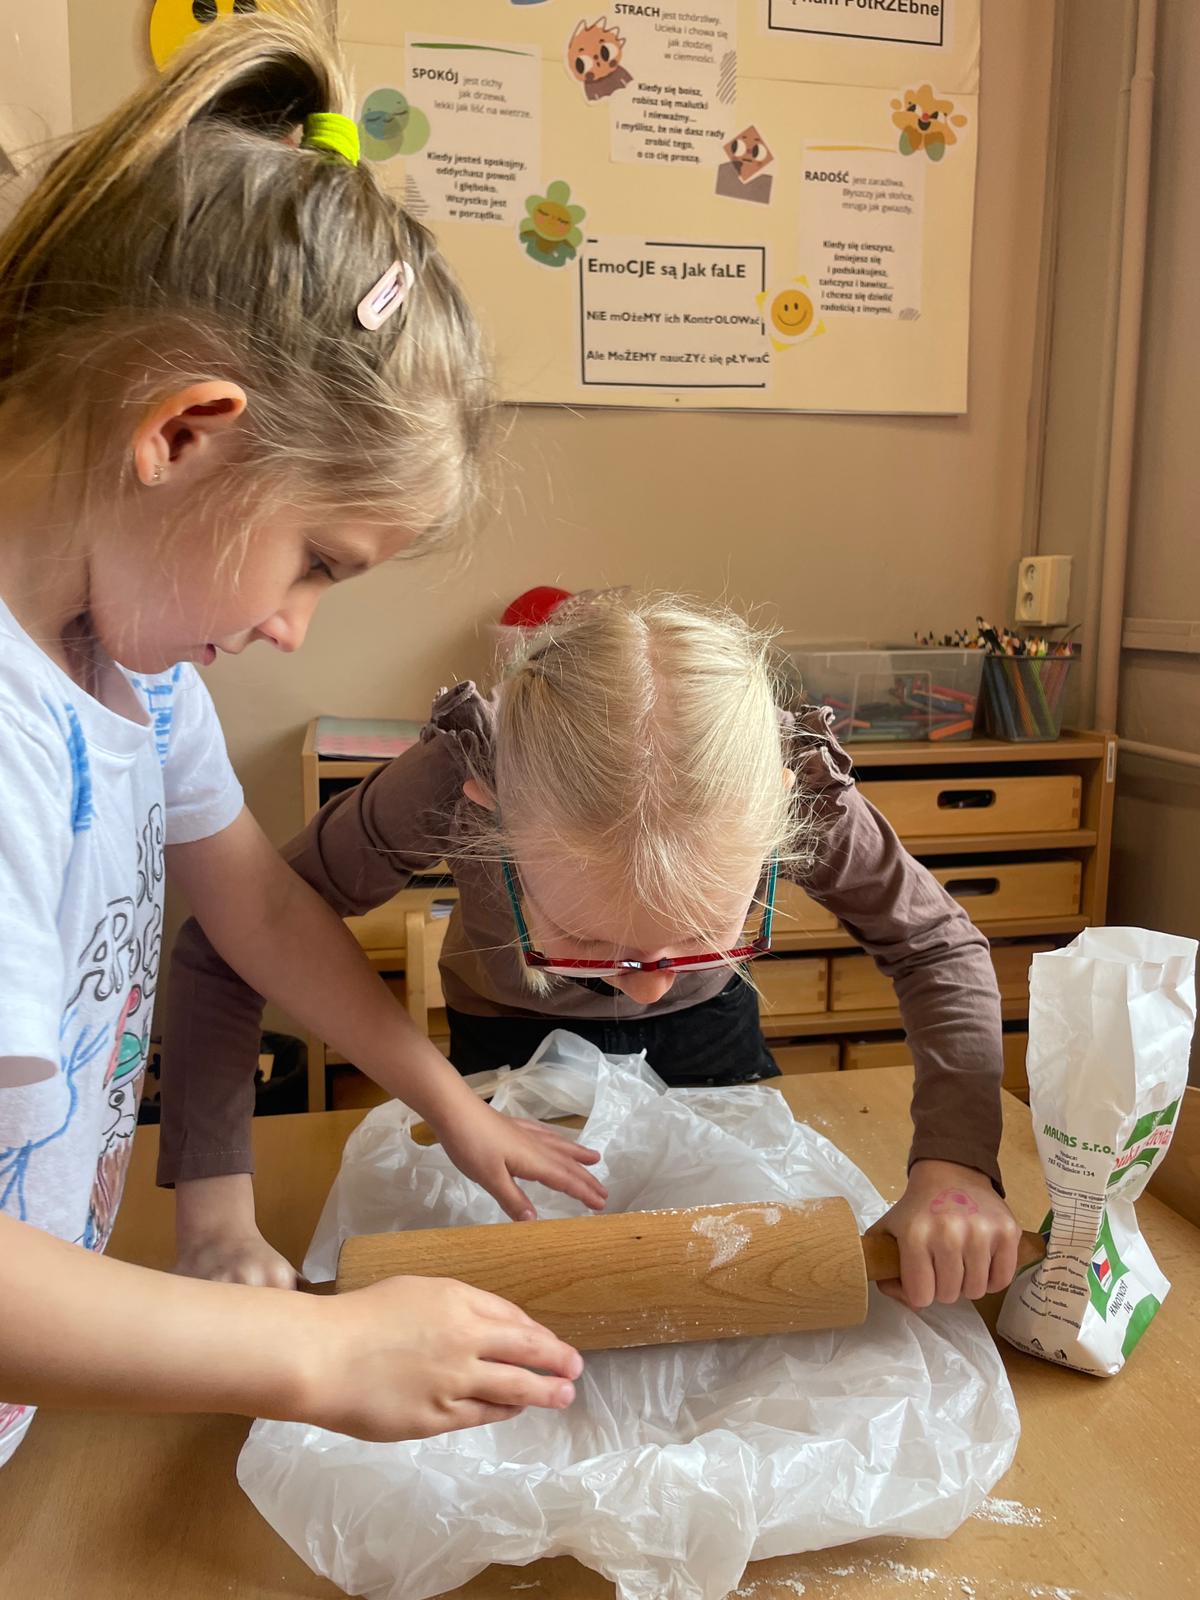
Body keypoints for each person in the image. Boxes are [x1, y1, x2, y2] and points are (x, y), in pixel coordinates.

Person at [0, 7, 602, 1469]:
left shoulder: (133, 675)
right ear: (183, 434)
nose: (292, 627)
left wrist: (446, 1101)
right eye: (317, 562)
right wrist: (321, 1353)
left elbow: (262, 910)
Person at [163, 593, 1024, 1314]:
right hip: (507, 1041)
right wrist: (219, 1219)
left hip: (709, 1038)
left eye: (699, 937)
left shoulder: (786, 780)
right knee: (531, 1284)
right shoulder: (460, 771)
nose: (644, 988)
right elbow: (230, 943)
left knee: (725, 1283)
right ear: (488, 809)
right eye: (585, 943)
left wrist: (955, 1166)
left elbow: (936, 945)